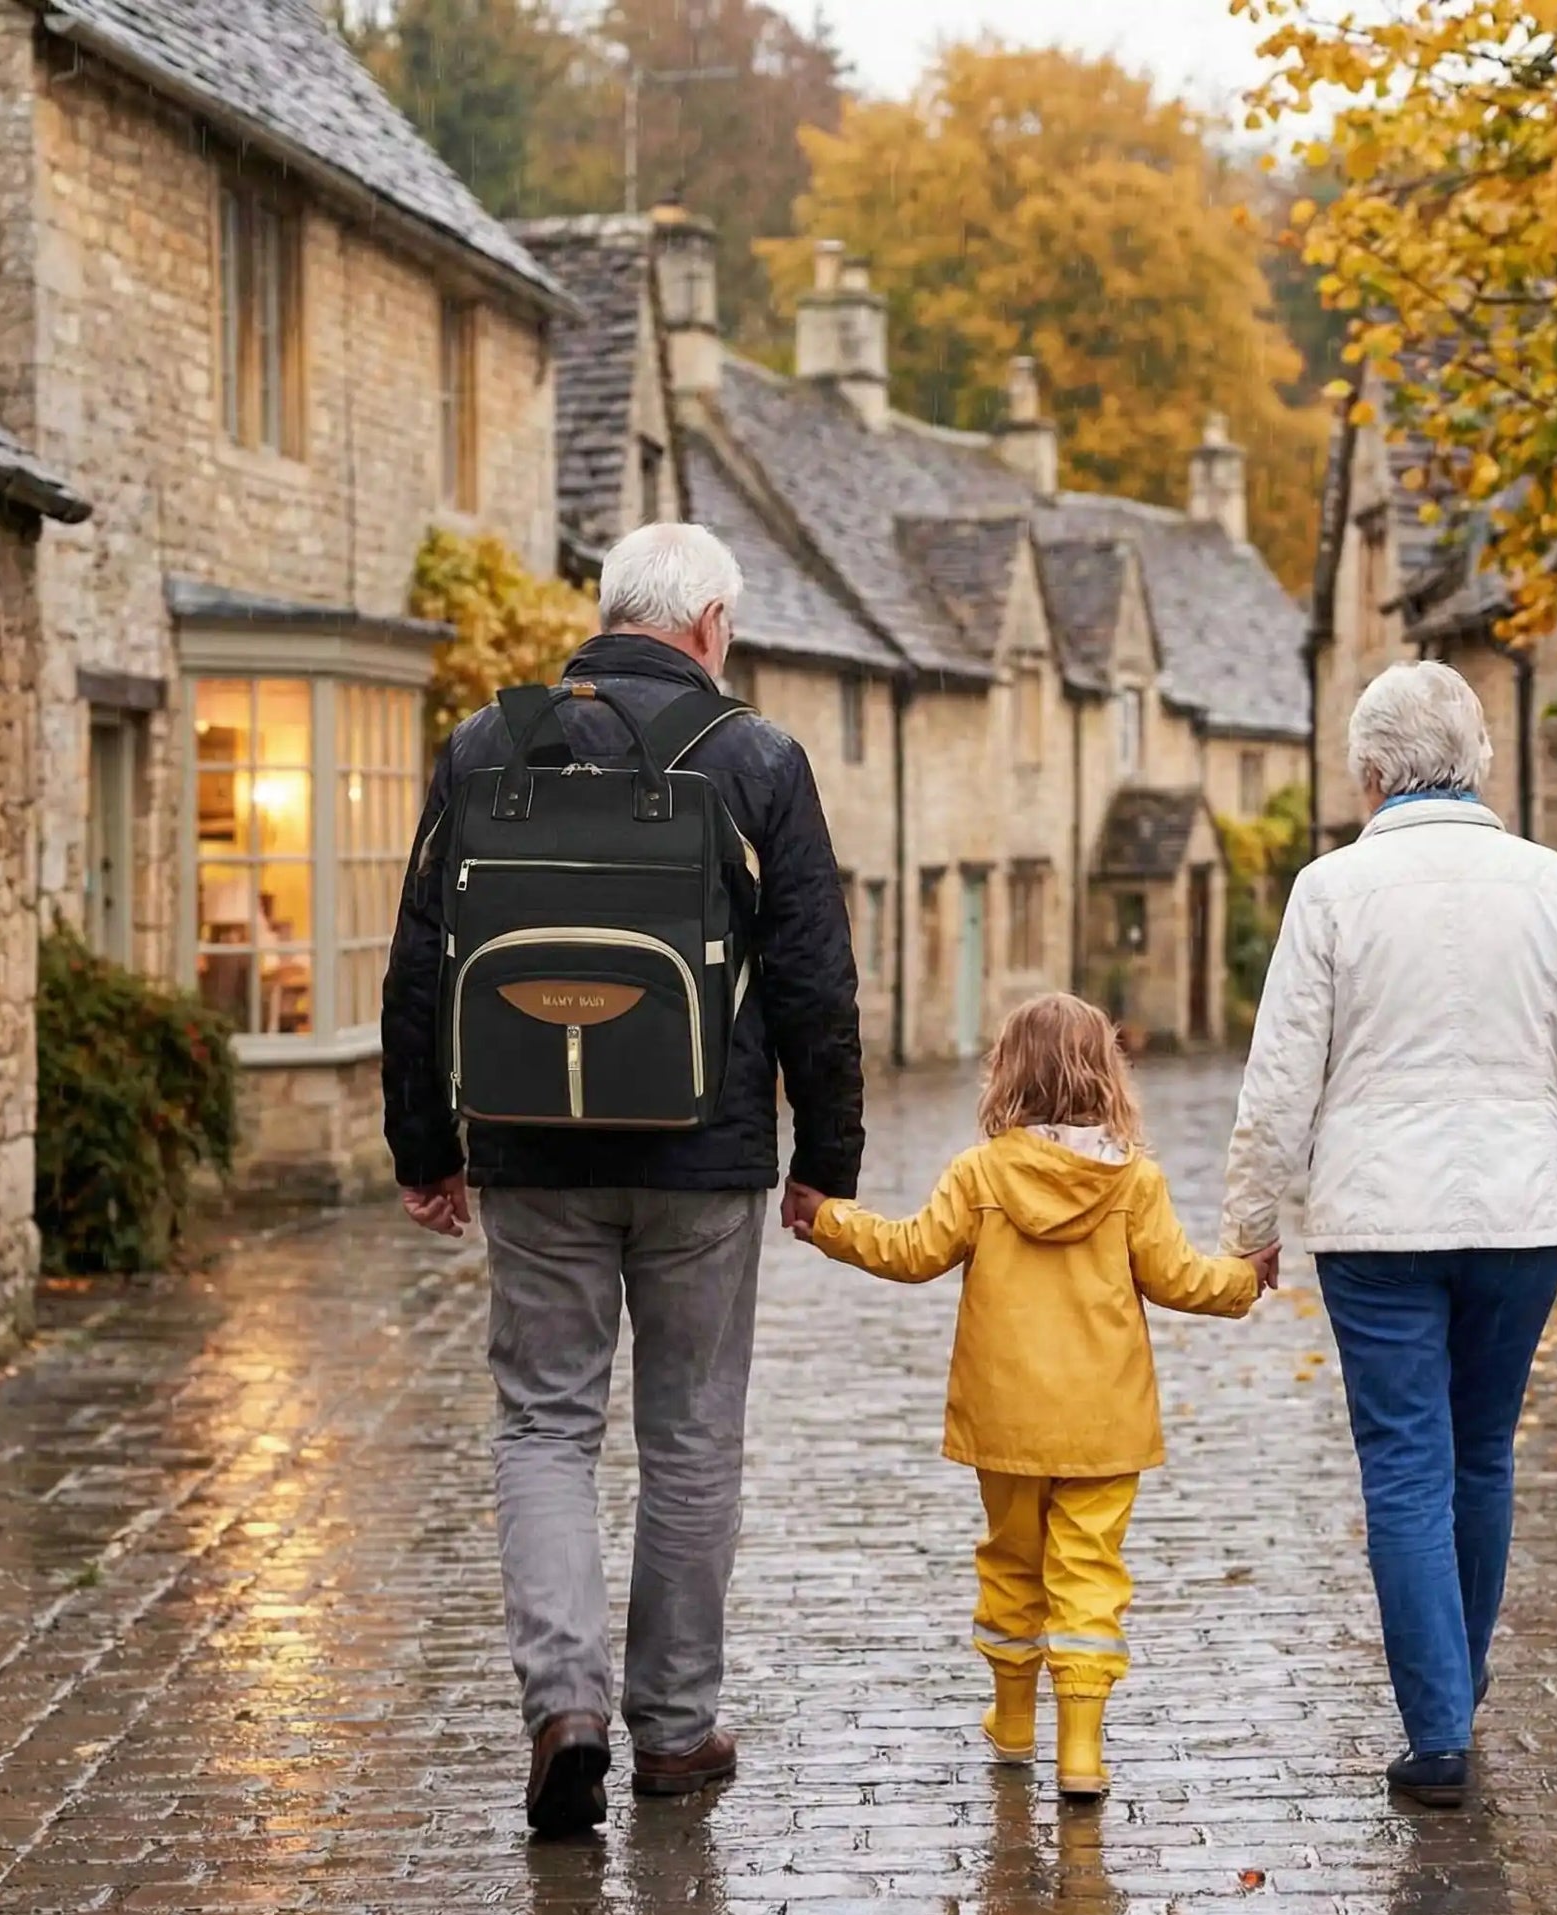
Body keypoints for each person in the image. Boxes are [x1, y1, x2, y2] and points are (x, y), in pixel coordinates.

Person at [381, 522, 864, 1832]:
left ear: (603, 615)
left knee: (543, 1419)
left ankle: (563, 1705)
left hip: (531, 1144)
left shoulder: (492, 745)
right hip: (702, 1152)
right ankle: (671, 1726)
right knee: (691, 1430)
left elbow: (423, 956)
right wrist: (826, 1159)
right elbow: (817, 973)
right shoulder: (756, 757)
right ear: (709, 621)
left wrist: (424, 1145)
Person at [1221, 660, 1557, 1809]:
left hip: (1376, 1224)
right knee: (1480, 1453)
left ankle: (1436, 1734)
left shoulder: (1329, 889)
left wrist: (1251, 1220)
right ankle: (1451, 1699)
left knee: (1406, 1466)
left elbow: (1280, 1074)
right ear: (1475, 761)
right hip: (1519, 1219)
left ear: (1370, 772)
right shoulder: (1550, 882)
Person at [787, 993, 1269, 1801]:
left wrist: (830, 1220)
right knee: (1088, 1572)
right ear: (1107, 1076)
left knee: (1012, 1563)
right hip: (1103, 1423)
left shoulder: (980, 1174)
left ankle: (1013, 1722)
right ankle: (1081, 1750)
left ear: (1006, 1074)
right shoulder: (1133, 1184)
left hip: (1004, 1420)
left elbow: (910, 1251)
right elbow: (1181, 1278)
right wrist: (1246, 1278)